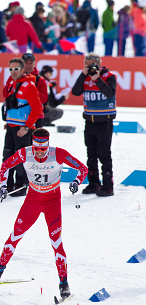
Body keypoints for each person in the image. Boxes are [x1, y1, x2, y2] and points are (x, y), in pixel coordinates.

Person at [0, 128, 88, 300]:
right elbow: (5, 165)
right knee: (14, 236)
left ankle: (64, 284)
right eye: (37, 148)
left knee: (56, 242)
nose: (39, 153)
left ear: (48, 146)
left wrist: (75, 182)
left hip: (52, 202)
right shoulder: (24, 153)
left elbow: (83, 169)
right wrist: (4, 186)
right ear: (33, 145)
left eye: (43, 149)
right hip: (32, 200)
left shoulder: (58, 154)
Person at [0, 58, 43, 197]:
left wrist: (26, 127)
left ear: (22, 70)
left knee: (21, 159)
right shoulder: (12, 84)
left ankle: (20, 186)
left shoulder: (29, 86)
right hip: (11, 127)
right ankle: (7, 185)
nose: (13, 72)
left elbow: (37, 109)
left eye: (16, 69)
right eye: (11, 69)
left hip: (23, 130)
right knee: (7, 157)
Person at [71, 53, 116, 197]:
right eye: (87, 65)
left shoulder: (109, 76)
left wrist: (97, 80)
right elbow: (75, 92)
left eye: (92, 65)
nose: (90, 68)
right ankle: (94, 183)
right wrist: (82, 75)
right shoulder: (84, 77)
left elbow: (110, 93)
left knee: (104, 154)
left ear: (99, 64)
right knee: (91, 154)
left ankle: (108, 186)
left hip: (105, 122)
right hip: (90, 121)